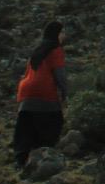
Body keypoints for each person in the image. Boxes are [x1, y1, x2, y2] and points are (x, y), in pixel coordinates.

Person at [14, 21, 68, 168]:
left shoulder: (38, 49)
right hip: (44, 92)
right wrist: (65, 93)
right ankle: (44, 158)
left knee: (26, 128)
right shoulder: (56, 50)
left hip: (26, 93)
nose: (64, 35)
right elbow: (60, 75)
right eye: (62, 32)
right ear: (56, 34)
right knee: (54, 123)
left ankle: (21, 161)